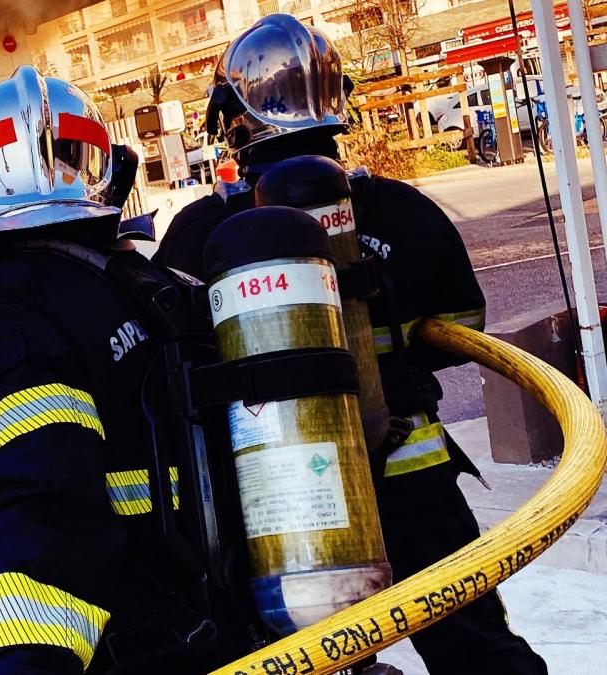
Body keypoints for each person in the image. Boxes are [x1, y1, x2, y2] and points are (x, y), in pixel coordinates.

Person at [154, 15, 547, 675]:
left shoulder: (202, 231)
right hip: (411, 472)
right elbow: (462, 324)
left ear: (234, 116)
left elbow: (176, 364)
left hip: (278, 497)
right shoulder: (403, 210)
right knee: (476, 647)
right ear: (337, 102)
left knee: (295, 656)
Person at [0, 66, 252, 675]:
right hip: (231, 620)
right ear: (111, 173)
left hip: (138, 645)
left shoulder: (0, 309)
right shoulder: (147, 282)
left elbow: (47, 512)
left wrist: (27, 667)